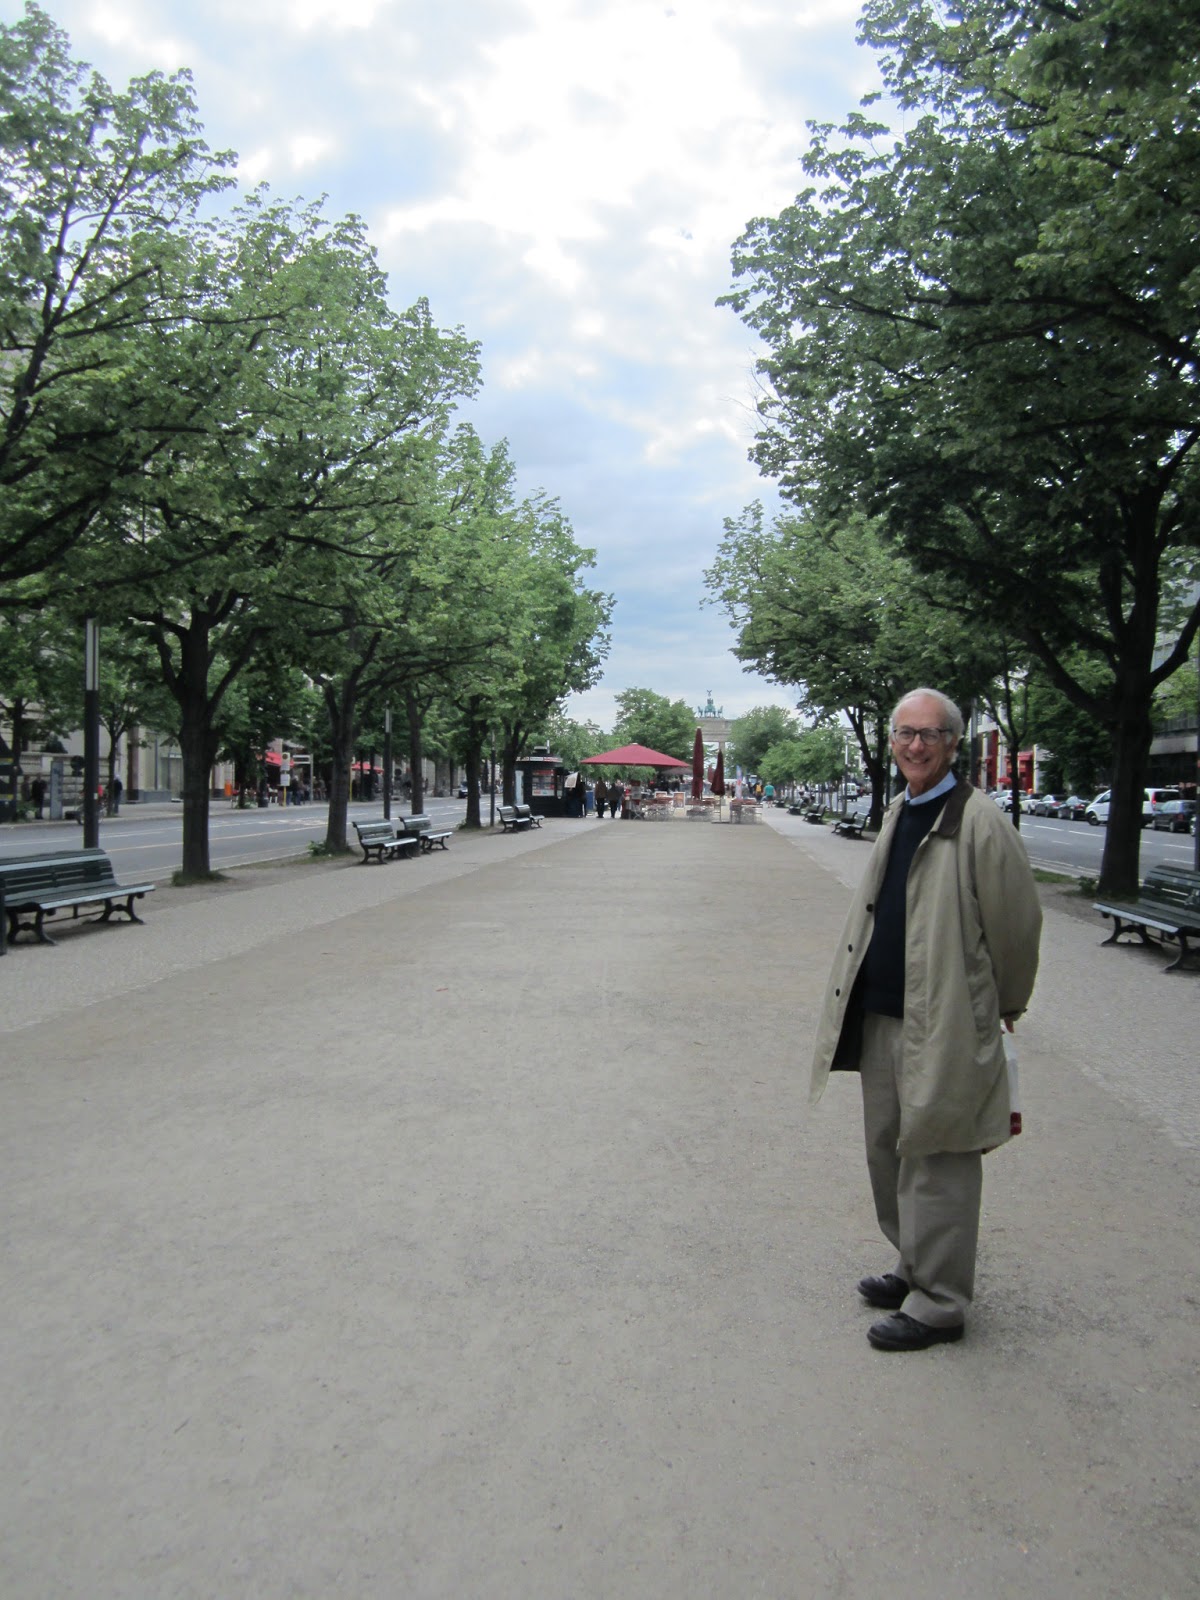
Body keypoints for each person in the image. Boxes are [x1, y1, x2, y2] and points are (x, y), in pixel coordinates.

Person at [811, 687, 1042, 1352]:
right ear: (892, 742)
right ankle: (914, 1265)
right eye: (906, 733)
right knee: (888, 1147)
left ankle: (940, 1302)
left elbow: (1017, 929)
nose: (916, 745)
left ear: (953, 743)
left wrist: (1000, 1009)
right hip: (883, 1014)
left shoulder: (979, 822)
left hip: (944, 1021)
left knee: (939, 1154)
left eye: (930, 734)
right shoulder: (900, 808)